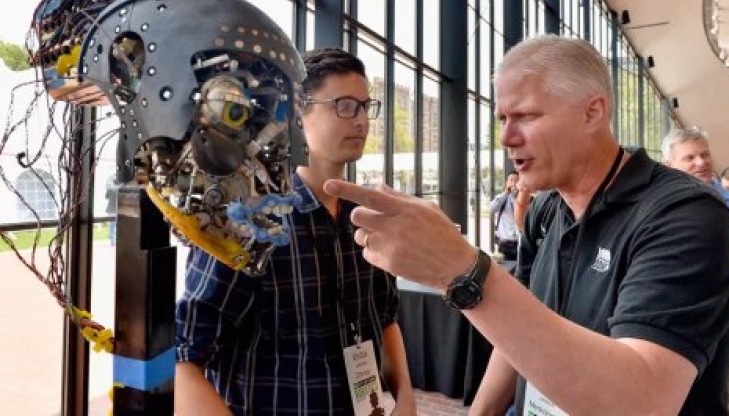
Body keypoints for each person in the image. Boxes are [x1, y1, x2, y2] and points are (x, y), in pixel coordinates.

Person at [323, 35, 729, 414]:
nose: (506, 137)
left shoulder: (685, 215)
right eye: (502, 118)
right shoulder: (545, 209)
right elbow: (518, 331)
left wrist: (463, 271)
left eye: (526, 116)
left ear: (593, 112)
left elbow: (642, 401)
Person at [175, 48, 416, 415]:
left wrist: (406, 397)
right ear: (298, 112)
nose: (362, 121)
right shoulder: (250, 220)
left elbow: (385, 317)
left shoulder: (367, 217)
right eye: (345, 106)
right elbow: (185, 358)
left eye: (366, 107)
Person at [662, 126, 729, 206]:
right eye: (690, 158)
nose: (701, 162)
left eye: (705, 155)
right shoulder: (661, 203)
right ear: (669, 166)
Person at [488, 171, 520, 261]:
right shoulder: (502, 198)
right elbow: (492, 209)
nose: (514, 183)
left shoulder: (526, 199)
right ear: (506, 183)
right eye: (511, 180)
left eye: (517, 181)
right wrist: (506, 192)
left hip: (521, 243)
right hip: (505, 244)